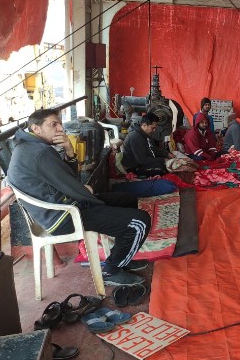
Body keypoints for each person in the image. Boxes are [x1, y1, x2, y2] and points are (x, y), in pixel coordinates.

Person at [8, 109, 151, 286]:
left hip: (59, 208)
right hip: (62, 216)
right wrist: (90, 196)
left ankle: (120, 256)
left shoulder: (29, 146)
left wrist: (69, 150)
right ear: (36, 128)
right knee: (140, 222)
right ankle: (111, 271)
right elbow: (73, 183)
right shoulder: (40, 153)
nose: (60, 128)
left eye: (60, 124)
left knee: (127, 200)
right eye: (53, 124)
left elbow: (69, 179)